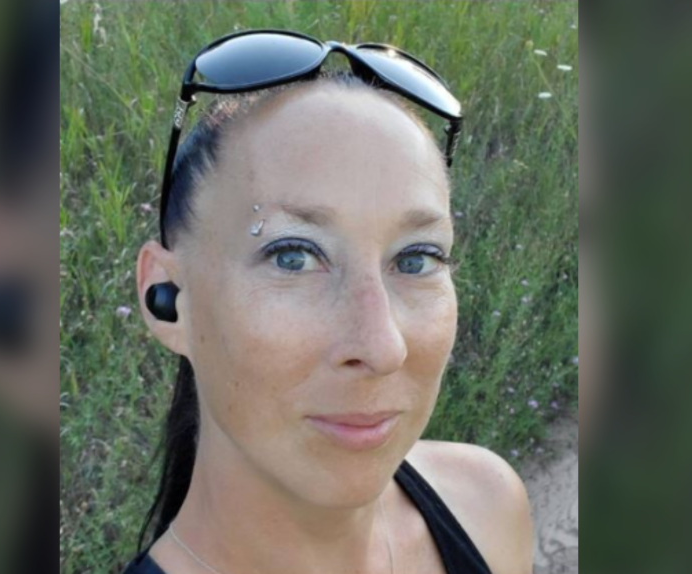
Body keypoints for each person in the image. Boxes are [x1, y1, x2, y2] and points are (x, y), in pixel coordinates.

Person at [127, 31, 532, 574]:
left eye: (416, 259)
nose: (383, 347)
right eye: (293, 256)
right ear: (169, 298)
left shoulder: (486, 506)